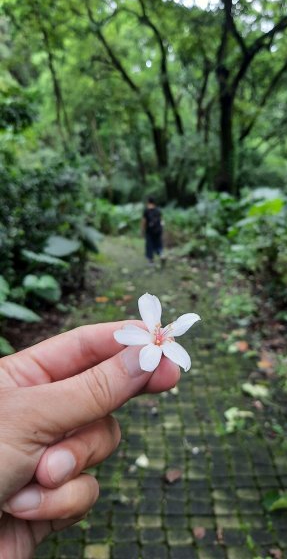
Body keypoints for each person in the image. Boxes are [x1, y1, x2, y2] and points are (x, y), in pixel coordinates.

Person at [0, 321, 180, 558]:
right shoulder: (143, 344)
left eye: (161, 336)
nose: (160, 337)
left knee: (76, 452)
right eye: (159, 335)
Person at [142, 197, 164, 266]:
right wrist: (161, 229)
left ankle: (151, 261)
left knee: (149, 245)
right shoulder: (158, 210)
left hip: (149, 231)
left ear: (148, 202)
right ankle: (161, 255)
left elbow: (144, 221)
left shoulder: (146, 210)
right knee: (158, 243)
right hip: (158, 231)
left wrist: (143, 230)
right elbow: (162, 221)